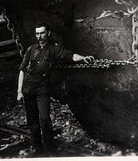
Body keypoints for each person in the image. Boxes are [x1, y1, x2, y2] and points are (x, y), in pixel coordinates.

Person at [17, 23, 94, 156]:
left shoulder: (54, 50)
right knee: (32, 120)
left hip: (42, 88)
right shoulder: (31, 49)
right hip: (28, 88)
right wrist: (19, 91)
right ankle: (37, 148)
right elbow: (22, 71)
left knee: (45, 119)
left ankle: (49, 151)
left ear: (47, 33)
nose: (39, 36)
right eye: (37, 34)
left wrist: (83, 58)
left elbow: (70, 56)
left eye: (42, 33)